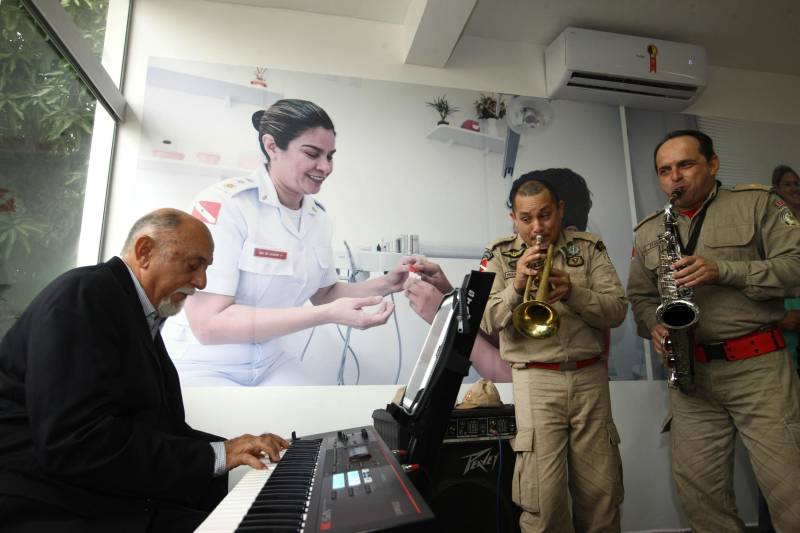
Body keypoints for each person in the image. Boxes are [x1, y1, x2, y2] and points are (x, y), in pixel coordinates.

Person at [0, 209, 289, 532]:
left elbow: (153, 425)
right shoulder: (84, 297)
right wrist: (216, 455)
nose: (201, 282)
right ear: (144, 252)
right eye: (193, 265)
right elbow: (73, 441)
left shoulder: (131, 310)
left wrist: (232, 446)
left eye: (206, 268)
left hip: (89, 494)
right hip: (47, 503)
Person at [163, 99, 408, 386]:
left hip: (270, 358)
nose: (325, 167)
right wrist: (325, 315)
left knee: (309, 425)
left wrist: (389, 284)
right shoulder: (227, 206)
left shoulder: (317, 218)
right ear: (271, 146)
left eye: (330, 156)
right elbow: (209, 325)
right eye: (312, 153)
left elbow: (325, 293)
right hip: (205, 361)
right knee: (224, 431)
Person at [627, 130, 800, 532]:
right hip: (691, 378)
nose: (675, 178)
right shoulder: (650, 231)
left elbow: (795, 266)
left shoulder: (758, 204)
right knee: (700, 498)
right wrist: (654, 323)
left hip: (759, 371)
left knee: (791, 494)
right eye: (665, 170)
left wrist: (725, 270)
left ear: (713, 164)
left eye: (685, 165)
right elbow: (639, 298)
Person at [480, 179, 627, 532]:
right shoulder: (499, 254)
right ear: (513, 218)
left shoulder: (588, 249)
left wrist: (575, 293)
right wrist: (516, 288)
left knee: (601, 495)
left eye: (545, 215)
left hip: (589, 378)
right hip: (535, 380)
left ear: (560, 209)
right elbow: (482, 321)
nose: (537, 228)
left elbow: (617, 310)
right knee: (542, 500)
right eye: (527, 218)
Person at [403, 168, 599, 383]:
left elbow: (514, 377)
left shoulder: (580, 287)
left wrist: (444, 321)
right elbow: (506, 338)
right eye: (523, 221)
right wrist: (449, 295)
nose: (520, 236)